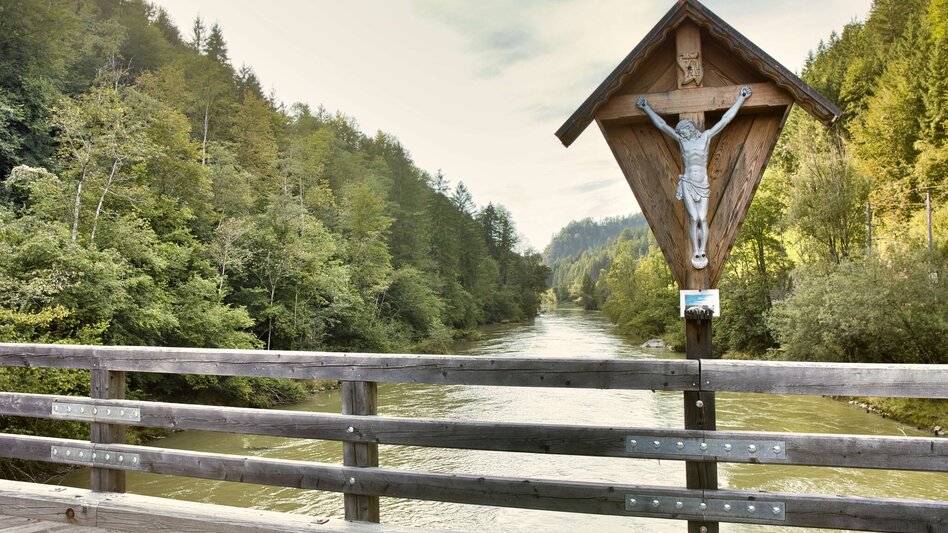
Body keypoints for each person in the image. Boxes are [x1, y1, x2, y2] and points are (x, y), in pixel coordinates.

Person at [636, 85, 752, 269]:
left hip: (702, 183)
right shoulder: (682, 142)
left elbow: (724, 121)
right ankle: (695, 250)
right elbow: (662, 126)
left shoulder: (705, 137)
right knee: (694, 218)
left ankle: (702, 250)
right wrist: (646, 108)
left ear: (688, 128)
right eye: (680, 133)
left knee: (703, 218)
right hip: (688, 182)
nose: (681, 134)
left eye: (683, 131)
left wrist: (741, 98)